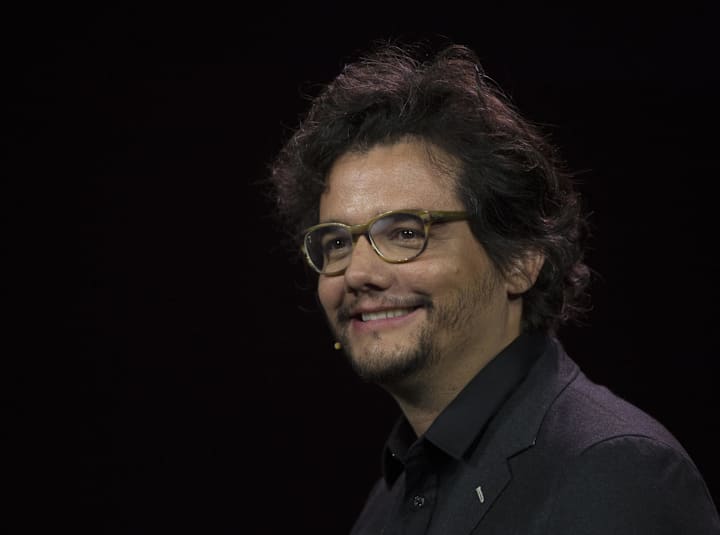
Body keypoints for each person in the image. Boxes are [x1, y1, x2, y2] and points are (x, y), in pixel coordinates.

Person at [267, 39, 720, 534]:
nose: (357, 273)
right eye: (336, 242)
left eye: (405, 233)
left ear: (521, 259)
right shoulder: (390, 501)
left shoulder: (615, 471)